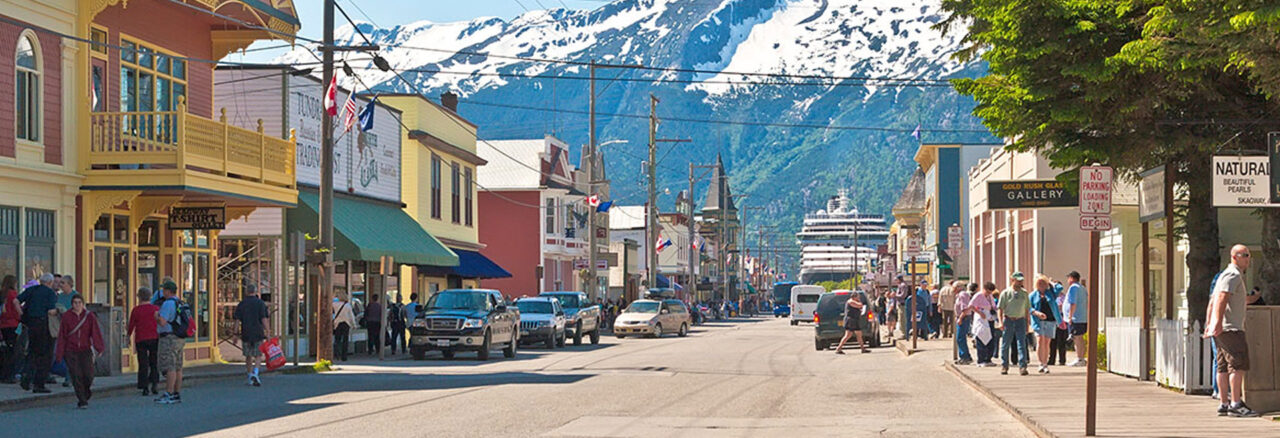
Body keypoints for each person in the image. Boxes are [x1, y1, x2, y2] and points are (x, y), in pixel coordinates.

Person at [1205, 244, 1260, 417]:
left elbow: (1213, 300)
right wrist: (1218, 322)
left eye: (1248, 255)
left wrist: (1210, 323)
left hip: (1222, 328)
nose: (1247, 259)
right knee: (1238, 365)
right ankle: (1236, 403)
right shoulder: (1233, 275)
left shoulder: (1224, 275)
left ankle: (1224, 403)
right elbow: (1221, 298)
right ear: (1234, 257)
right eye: (1244, 255)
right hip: (1231, 328)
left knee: (1222, 366)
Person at [55, 294, 103, 409]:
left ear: (83, 304)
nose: (77, 305)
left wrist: (99, 347)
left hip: (85, 349)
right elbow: (62, 335)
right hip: (70, 350)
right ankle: (82, 400)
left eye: (79, 302)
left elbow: (95, 332)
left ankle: (85, 392)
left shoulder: (89, 316)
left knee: (88, 375)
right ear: (72, 304)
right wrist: (59, 353)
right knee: (76, 375)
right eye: (75, 303)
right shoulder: (67, 316)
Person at [17, 273, 58, 393]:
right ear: (50, 282)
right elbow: (51, 311)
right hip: (43, 325)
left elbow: (16, 301)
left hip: (31, 323)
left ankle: (26, 376)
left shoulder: (31, 290)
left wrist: (21, 314)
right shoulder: (50, 293)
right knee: (44, 355)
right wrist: (58, 311)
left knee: (32, 351)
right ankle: (39, 384)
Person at [155, 280, 185, 404]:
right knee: (178, 367)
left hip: (168, 338)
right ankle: (177, 393)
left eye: (164, 290)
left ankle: (169, 392)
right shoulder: (180, 302)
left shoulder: (168, 304)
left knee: (170, 366)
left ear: (167, 291)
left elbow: (162, 321)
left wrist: (156, 316)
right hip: (179, 337)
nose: (162, 292)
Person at [233, 285, 270, 386]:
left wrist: (235, 334)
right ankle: (256, 372)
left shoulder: (242, 304)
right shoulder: (260, 303)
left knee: (248, 355)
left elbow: (237, 320)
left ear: (246, 292)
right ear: (255, 292)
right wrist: (268, 331)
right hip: (258, 332)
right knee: (258, 354)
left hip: (246, 332)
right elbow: (264, 319)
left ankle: (249, 376)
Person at [126, 287, 160, 395]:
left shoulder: (136, 310)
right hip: (154, 337)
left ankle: (144, 386)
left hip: (141, 338)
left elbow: (131, 325)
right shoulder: (155, 309)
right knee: (154, 362)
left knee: (143, 363)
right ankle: (154, 384)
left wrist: (128, 336)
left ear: (139, 297)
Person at [997, 271, 1031, 376]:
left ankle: (1023, 366)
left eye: (1021, 280)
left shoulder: (1024, 293)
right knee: (1005, 344)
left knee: (1022, 344)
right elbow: (1000, 308)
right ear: (1012, 280)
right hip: (1009, 320)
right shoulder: (1006, 293)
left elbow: (1027, 309)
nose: (1020, 282)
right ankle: (1004, 365)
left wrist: (1027, 323)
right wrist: (1000, 322)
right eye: (1018, 280)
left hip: (1020, 320)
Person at [1030, 275, 1062, 374]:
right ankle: (1040, 363)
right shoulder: (1032, 295)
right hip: (1038, 321)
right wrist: (1036, 313)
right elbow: (1028, 307)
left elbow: (1060, 288)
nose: (1042, 285)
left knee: (1047, 342)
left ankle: (1045, 363)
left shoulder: (1051, 293)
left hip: (1050, 320)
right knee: (1040, 341)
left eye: (1044, 283)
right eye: (1039, 283)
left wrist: (1051, 283)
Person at [1062, 271, 1088, 367]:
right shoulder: (1082, 288)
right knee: (1079, 338)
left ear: (1072, 278)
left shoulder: (1073, 288)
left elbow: (1073, 303)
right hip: (1082, 317)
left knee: (1077, 338)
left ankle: (1080, 358)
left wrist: (1070, 316)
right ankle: (1081, 358)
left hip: (1076, 318)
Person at [969, 282, 997, 366]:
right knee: (981, 339)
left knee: (991, 339)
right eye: (988, 292)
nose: (989, 294)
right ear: (984, 289)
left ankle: (988, 359)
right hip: (981, 319)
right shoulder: (978, 295)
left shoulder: (990, 296)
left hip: (990, 319)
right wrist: (979, 312)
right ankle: (981, 360)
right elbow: (971, 305)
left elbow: (993, 306)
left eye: (991, 292)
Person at [1, 275, 22, 384]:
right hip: (13, 324)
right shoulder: (13, 294)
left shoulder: (2, 294)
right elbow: (16, 308)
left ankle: (4, 374)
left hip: (3, 325)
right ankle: (10, 374)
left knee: (7, 350)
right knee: (13, 351)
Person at [1048, 281, 1069, 366]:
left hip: (1061, 319)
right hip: (1053, 320)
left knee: (1061, 341)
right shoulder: (1052, 296)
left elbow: (1064, 306)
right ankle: (1051, 359)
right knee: (1052, 342)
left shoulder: (1064, 297)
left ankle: (1062, 360)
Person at [332, 294, 356, 361]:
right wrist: (354, 324)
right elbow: (351, 316)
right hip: (346, 323)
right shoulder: (348, 306)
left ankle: (336, 354)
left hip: (337, 323)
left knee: (337, 339)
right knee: (345, 340)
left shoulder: (334, 304)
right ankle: (344, 356)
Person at [953, 281, 973, 365]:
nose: (953, 289)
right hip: (961, 317)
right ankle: (965, 356)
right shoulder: (960, 295)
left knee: (960, 338)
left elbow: (965, 308)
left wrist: (960, 318)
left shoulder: (962, 295)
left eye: (954, 287)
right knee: (960, 338)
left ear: (958, 287)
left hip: (964, 318)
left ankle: (965, 357)